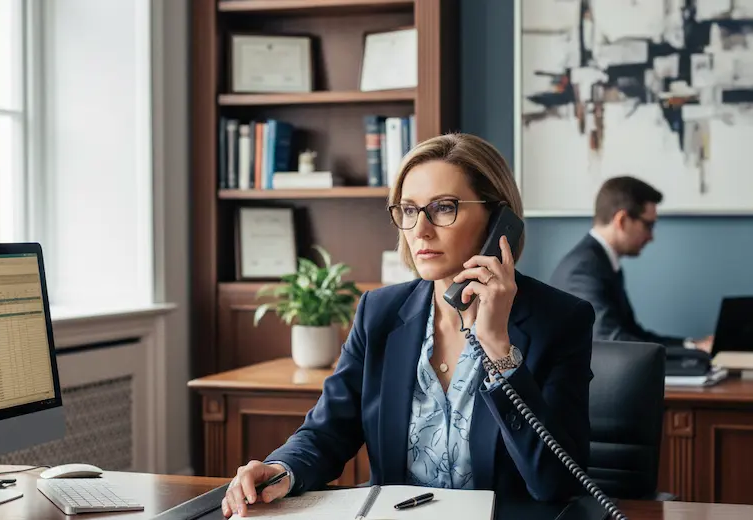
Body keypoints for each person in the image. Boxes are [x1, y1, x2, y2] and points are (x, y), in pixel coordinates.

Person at [222, 134, 596, 518]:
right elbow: (328, 431)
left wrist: (497, 344)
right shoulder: (380, 312)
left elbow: (556, 483)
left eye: (444, 208)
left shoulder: (561, 320)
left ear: (499, 220)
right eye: (409, 210)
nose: (421, 229)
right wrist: (282, 469)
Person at [550, 176, 713, 352]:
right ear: (622, 220)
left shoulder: (600, 262)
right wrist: (693, 353)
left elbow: (632, 334)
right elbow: (612, 341)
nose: (651, 237)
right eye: (648, 225)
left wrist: (693, 346)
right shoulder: (583, 271)